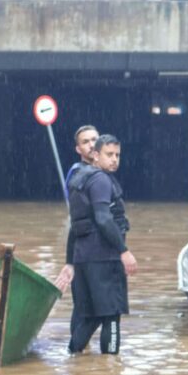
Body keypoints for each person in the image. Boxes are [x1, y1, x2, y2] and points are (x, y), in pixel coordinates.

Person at [54, 134, 138, 355]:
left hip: (83, 259)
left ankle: (73, 357)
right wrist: (124, 251)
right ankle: (110, 371)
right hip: (104, 258)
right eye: (109, 155)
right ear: (95, 155)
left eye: (117, 155)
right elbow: (103, 218)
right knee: (111, 315)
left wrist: (70, 262)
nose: (114, 160)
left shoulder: (79, 180)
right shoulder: (100, 180)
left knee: (90, 316)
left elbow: (75, 225)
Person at [64, 125, 99, 201]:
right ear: (78, 149)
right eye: (85, 142)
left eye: (94, 140)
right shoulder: (77, 173)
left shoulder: (105, 169)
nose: (92, 145)